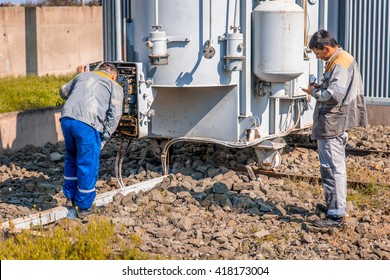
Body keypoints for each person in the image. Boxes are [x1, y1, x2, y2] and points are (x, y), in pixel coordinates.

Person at [302, 30, 367, 228]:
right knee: (333, 166)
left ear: (327, 48)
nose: (317, 57)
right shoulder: (341, 59)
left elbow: (334, 94)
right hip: (335, 120)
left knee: (332, 167)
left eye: (318, 53)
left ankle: (336, 216)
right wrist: (320, 86)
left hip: (333, 121)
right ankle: (334, 207)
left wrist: (314, 92)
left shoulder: (339, 62)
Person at [59, 62, 123, 218]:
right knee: (88, 163)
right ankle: (84, 207)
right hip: (88, 123)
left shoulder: (83, 75)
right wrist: (104, 138)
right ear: (114, 75)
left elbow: (63, 92)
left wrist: (79, 76)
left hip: (67, 119)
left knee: (72, 158)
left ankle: (69, 197)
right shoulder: (115, 86)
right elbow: (114, 116)